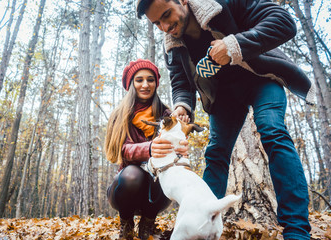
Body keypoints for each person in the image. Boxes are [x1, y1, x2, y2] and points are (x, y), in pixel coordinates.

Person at [136, 0, 314, 239]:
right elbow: (181, 81)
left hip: (261, 80)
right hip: (224, 97)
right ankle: (203, 224)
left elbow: (283, 22)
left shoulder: (222, 4)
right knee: (216, 153)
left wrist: (235, 44)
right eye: (157, 22)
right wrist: (182, 105)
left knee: (272, 131)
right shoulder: (174, 45)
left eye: (167, 15)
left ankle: (297, 230)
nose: (165, 26)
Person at [104, 59, 187, 239]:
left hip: (156, 188)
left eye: (150, 80)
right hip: (126, 187)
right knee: (132, 175)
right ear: (131, 84)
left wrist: (181, 144)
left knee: (162, 176)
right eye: (139, 80)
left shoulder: (166, 113)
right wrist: (149, 148)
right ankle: (125, 223)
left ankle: (147, 224)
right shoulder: (121, 114)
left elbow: (175, 148)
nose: (145, 84)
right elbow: (121, 150)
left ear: (156, 83)